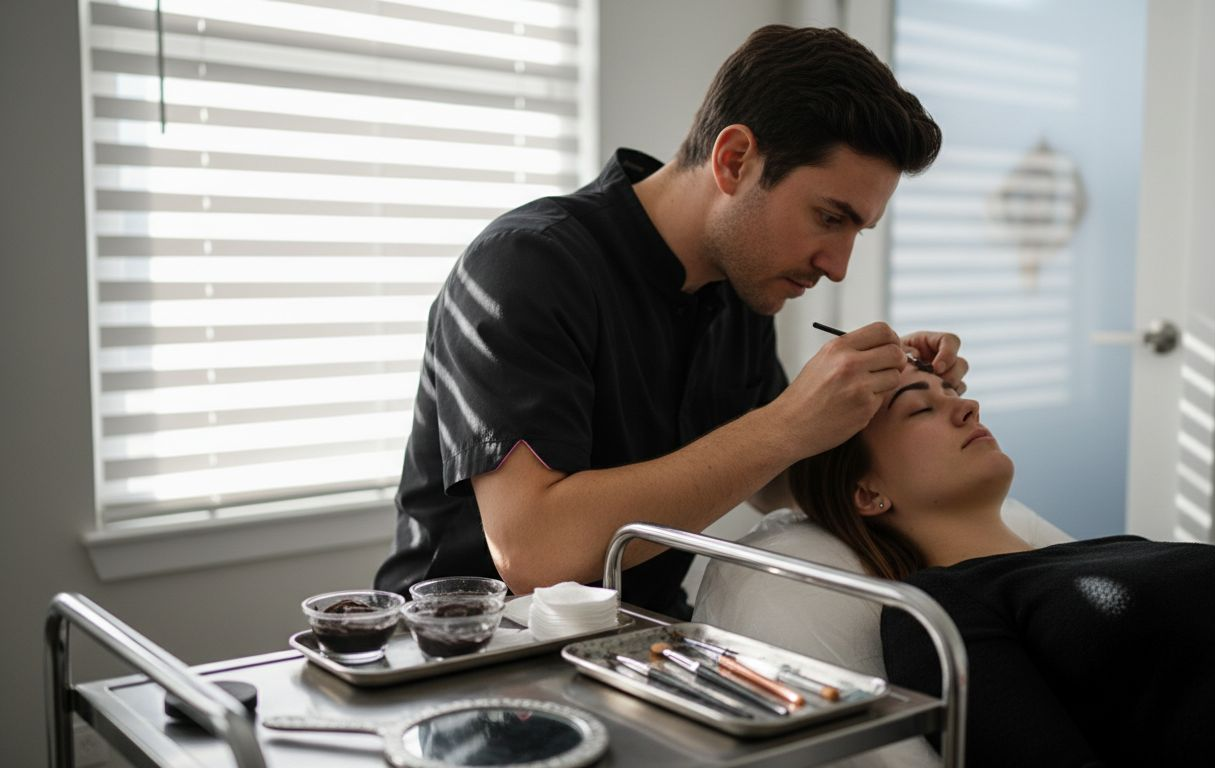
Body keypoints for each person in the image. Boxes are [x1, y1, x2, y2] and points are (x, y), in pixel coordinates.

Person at [374, 24, 964, 618]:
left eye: (856, 231)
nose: (837, 267)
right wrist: (787, 423)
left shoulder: (741, 290)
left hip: (638, 648)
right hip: (457, 658)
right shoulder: (526, 266)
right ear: (735, 161)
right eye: (829, 217)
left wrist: (890, 405)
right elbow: (536, 554)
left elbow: (778, 480)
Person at [788, 358, 1215, 767]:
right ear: (867, 493)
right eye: (920, 407)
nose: (967, 405)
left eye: (951, 391)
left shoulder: (1119, 546)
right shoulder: (941, 606)